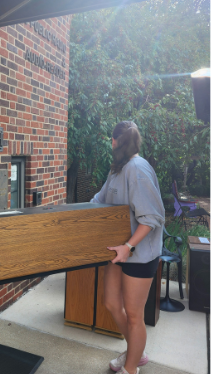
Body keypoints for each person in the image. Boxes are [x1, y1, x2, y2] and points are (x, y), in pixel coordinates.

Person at [93, 121, 165, 374]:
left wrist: (128, 247)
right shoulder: (117, 169)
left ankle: (131, 367)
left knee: (135, 315)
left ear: (114, 142)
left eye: (111, 141)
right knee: (112, 303)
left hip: (139, 254)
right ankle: (137, 349)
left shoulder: (138, 169)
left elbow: (152, 218)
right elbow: (99, 201)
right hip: (118, 252)